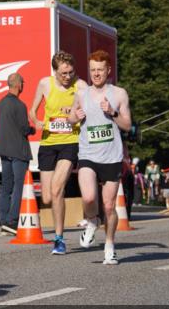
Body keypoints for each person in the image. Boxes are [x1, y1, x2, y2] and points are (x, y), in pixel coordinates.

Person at [68, 50, 132, 264]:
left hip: (112, 156)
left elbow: (127, 125)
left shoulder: (119, 94)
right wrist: (75, 117)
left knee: (109, 206)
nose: (96, 74)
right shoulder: (82, 94)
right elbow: (71, 117)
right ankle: (92, 220)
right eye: (93, 70)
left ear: (108, 70)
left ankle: (109, 246)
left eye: (100, 70)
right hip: (87, 154)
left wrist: (113, 112)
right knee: (88, 198)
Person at [29, 51, 88, 255]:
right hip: (48, 143)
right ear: (55, 71)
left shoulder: (80, 86)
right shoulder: (45, 84)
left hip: (70, 142)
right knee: (47, 197)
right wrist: (36, 121)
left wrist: (78, 114)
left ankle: (59, 239)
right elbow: (32, 110)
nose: (68, 76)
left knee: (56, 189)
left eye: (71, 72)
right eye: (63, 73)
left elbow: (91, 109)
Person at [0, 73, 35, 234]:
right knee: (19, 187)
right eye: (22, 83)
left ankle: (4, 222)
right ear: (19, 85)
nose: (23, 86)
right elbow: (24, 129)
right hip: (19, 151)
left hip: (4, 150)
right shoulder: (20, 105)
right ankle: (12, 222)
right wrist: (32, 129)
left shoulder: (0, 104)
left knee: (6, 187)